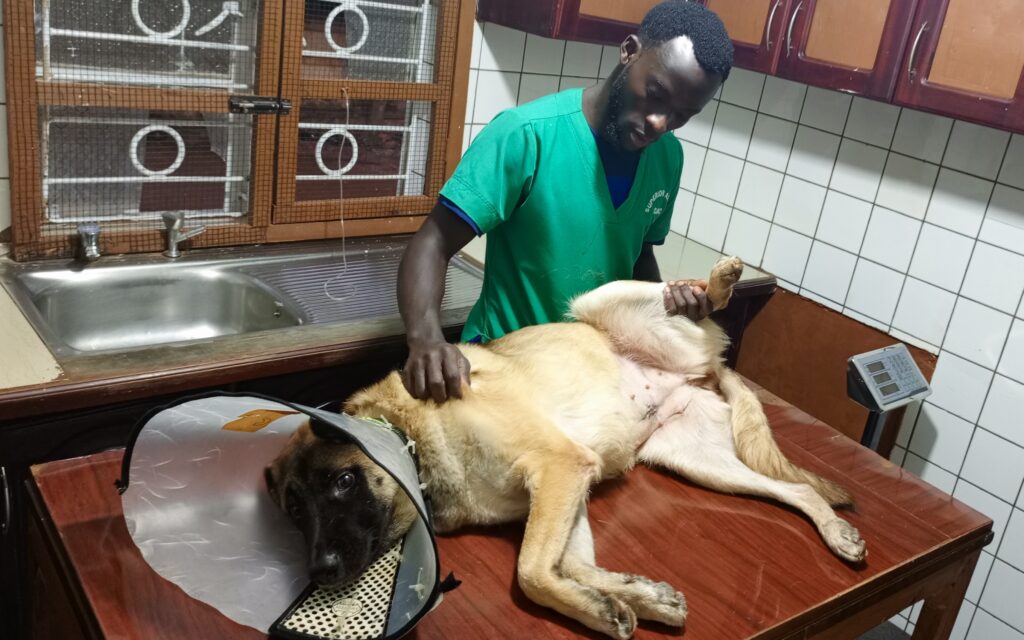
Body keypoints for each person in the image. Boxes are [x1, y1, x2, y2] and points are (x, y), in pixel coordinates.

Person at [397, 1, 734, 402]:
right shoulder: (526, 135)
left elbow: (635, 254)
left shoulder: (667, 159)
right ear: (629, 51)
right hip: (508, 367)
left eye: (682, 115)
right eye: (656, 94)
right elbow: (432, 243)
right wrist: (426, 340)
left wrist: (665, 300)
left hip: (596, 377)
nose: (661, 123)